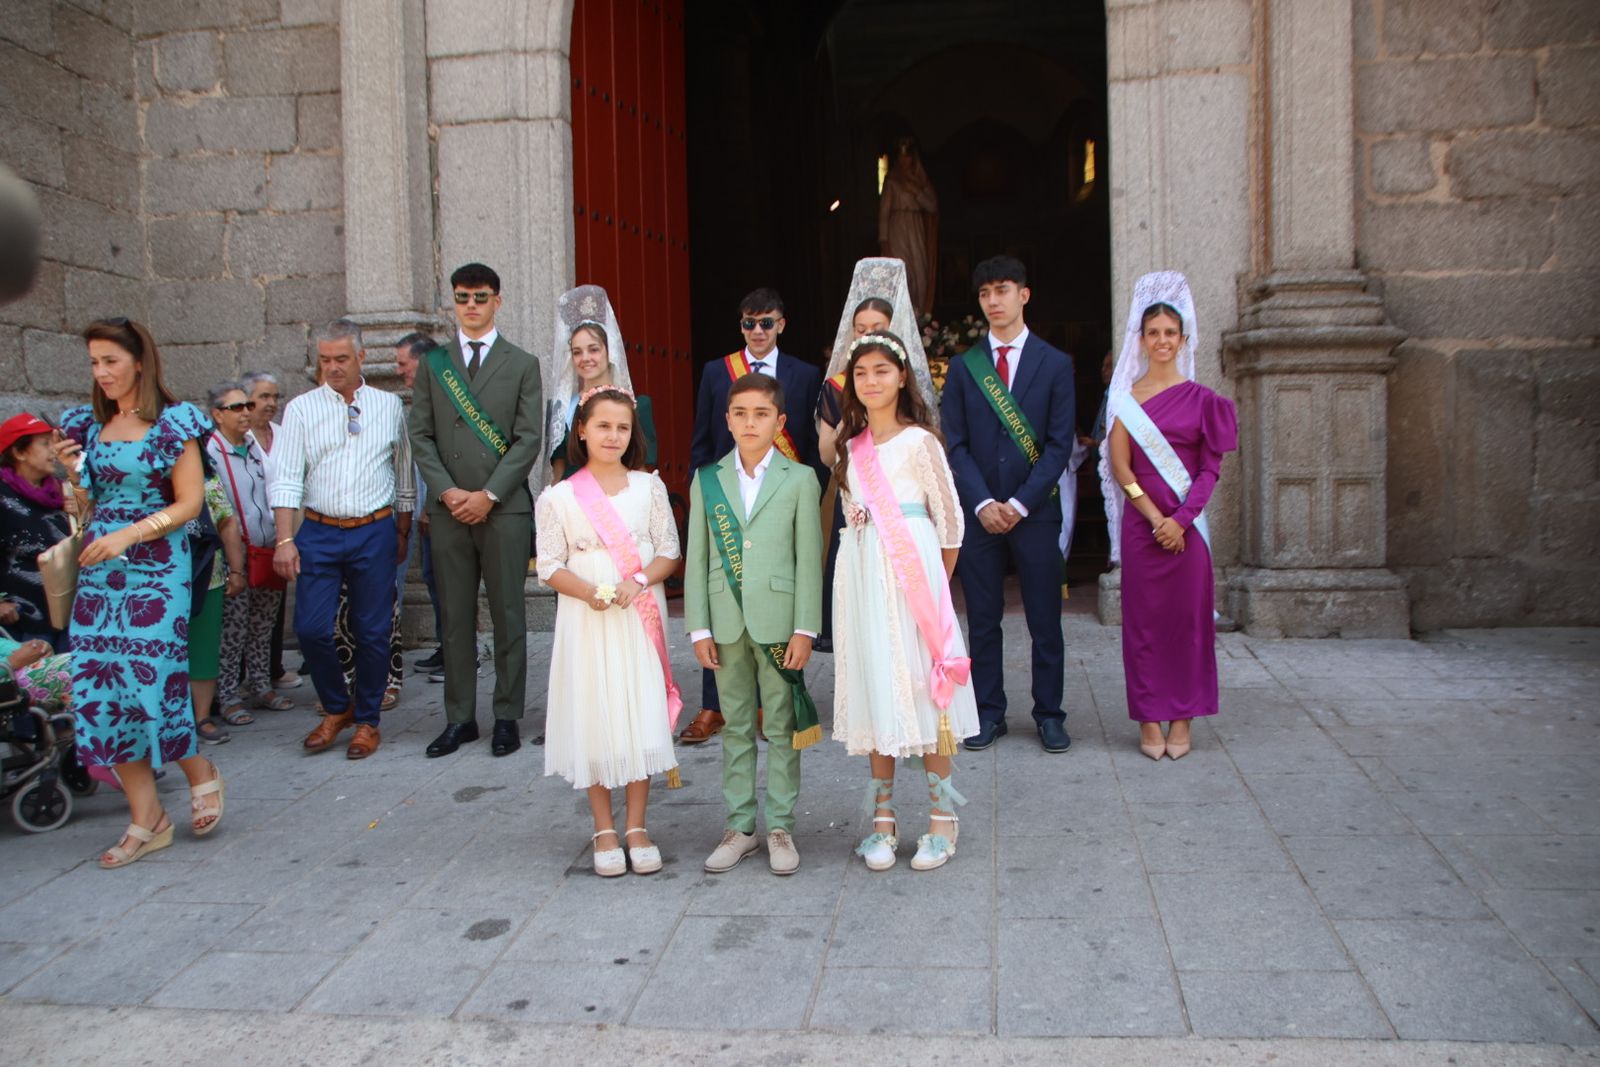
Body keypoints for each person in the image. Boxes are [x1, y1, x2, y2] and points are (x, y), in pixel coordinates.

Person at [56, 317, 225, 868]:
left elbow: (189, 503)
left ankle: (197, 767)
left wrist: (130, 533)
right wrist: (73, 479)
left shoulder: (174, 423)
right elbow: (82, 510)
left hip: (155, 568)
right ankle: (146, 818)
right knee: (103, 690)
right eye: (94, 362)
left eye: (110, 360)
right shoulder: (86, 425)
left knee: (150, 678)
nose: (101, 372)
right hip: (99, 573)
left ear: (139, 362)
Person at [831, 331, 977, 871]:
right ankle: (883, 820)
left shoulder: (921, 443)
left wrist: (932, 597)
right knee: (878, 690)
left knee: (923, 693)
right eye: (861, 373)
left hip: (914, 583)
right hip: (865, 580)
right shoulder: (851, 448)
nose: (871, 381)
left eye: (881, 371)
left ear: (902, 377)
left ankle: (942, 818)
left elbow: (952, 523)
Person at [536, 386, 681, 876]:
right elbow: (549, 565)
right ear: (582, 430)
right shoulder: (558, 497)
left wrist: (635, 580)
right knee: (595, 712)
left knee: (638, 708)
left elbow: (667, 550)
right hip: (586, 616)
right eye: (603, 425)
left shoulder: (648, 488)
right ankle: (602, 826)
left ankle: (637, 825)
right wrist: (588, 591)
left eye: (623, 427)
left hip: (637, 609)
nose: (613, 435)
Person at [686, 373, 823, 877]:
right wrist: (698, 628)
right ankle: (741, 827)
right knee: (737, 726)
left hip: (781, 623)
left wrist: (806, 627)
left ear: (780, 421)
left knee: (783, 728)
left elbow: (809, 558)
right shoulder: (708, 479)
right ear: (726, 419)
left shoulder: (801, 479)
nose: (750, 422)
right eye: (740, 413)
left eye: (761, 413)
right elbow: (698, 557)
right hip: (725, 622)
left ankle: (781, 825)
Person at [940, 255, 1076, 753]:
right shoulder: (963, 367)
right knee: (983, 618)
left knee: (1044, 619)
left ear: (1024, 294)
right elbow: (954, 444)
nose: (994, 301)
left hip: (1034, 512)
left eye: (1002, 290)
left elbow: (1060, 445)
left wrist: (1018, 502)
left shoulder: (1055, 364)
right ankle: (988, 712)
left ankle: (1049, 714)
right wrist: (981, 503)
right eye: (984, 293)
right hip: (979, 516)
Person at [1102, 271, 1238, 760]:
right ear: (1141, 339)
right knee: (1143, 627)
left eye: (1170, 334)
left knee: (1188, 625)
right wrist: (1155, 515)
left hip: (1188, 531)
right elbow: (1120, 465)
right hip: (1143, 529)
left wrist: (1180, 520)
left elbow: (1209, 469)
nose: (1162, 341)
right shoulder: (1125, 399)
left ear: (1183, 340)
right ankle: (1147, 721)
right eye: (1153, 333)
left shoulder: (1206, 402)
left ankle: (1182, 718)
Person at [410, 262, 544, 758]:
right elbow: (420, 434)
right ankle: (460, 717)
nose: (471, 305)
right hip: (449, 510)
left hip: (502, 508)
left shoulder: (522, 363)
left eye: (481, 297)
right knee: (456, 617)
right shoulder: (434, 364)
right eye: (463, 297)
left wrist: (487, 495)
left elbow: (529, 438)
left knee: (509, 614)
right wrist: (447, 492)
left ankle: (507, 714)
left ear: (498, 301)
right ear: (453, 302)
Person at [680, 287, 824, 746]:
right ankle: (712, 706)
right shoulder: (716, 371)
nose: (757, 331)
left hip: (779, 493)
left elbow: (807, 435)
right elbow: (703, 434)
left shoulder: (804, 374)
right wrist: (697, 485)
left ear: (782, 324)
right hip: (725, 497)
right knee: (721, 600)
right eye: (748, 322)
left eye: (766, 322)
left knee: (769, 599)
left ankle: (769, 705)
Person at [271, 319, 415, 761]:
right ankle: (337, 707)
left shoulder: (389, 405)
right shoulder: (300, 409)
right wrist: (284, 540)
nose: (332, 368)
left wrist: (403, 528)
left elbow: (403, 468)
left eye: (341, 359)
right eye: (325, 360)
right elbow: (287, 476)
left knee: (373, 631)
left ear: (361, 357)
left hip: (374, 529)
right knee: (311, 628)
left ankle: (367, 720)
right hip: (317, 529)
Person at [817, 259, 934, 651]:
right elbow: (826, 452)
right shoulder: (838, 387)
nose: (866, 335)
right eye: (860, 330)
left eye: (877, 330)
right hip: (857, 492)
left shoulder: (906, 391)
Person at [208, 381, 292, 724]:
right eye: (236, 408)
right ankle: (226, 694)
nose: (245, 412)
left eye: (247, 406)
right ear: (217, 415)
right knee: (233, 629)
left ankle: (260, 684)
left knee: (262, 624)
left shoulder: (255, 447)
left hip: (265, 546)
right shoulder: (210, 453)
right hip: (233, 554)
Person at [546, 285, 658, 481]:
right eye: (577, 352)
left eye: (594, 349)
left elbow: (640, 468)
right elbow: (558, 472)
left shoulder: (636, 405)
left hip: (619, 505)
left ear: (609, 351)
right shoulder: (562, 409)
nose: (585, 358)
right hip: (574, 504)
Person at [242, 369, 301, 692]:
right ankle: (242, 675)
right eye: (264, 396)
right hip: (247, 533)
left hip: (280, 530)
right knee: (242, 608)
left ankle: (271, 668)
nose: (271, 403)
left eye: (275, 397)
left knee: (273, 603)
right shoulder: (235, 439)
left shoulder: (282, 433)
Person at [393, 333, 444, 674]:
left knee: (446, 582)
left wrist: (427, 508)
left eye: (402, 363)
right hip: (428, 507)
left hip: (440, 508)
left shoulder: (442, 400)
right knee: (432, 578)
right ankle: (446, 646)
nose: (398, 371)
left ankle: (459, 653)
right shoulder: (423, 400)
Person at [0, 413, 73, 649]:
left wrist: (82, 508)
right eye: (45, 443)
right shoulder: (3, 496)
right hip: (24, 620)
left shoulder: (60, 494)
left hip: (65, 616)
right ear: (19, 452)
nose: (54, 450)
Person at [190, 461, 246, 745]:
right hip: (160, 581)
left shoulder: (208, 482)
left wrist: (236, 570)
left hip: (206, 575)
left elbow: (227, 521)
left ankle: (201, 716)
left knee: (204, 649)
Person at [878, 137, 940, 316]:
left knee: (920, 271)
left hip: (916, 228)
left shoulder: (920, 182)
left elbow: (932, 206)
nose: (906, 161)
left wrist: (916, 190)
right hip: (898, 229)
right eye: (902, 157)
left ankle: (920, 315)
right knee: (903, 271)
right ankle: (902, 315)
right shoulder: (892, 181)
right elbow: (884, 213)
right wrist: (884, 240)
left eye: (908, 157)